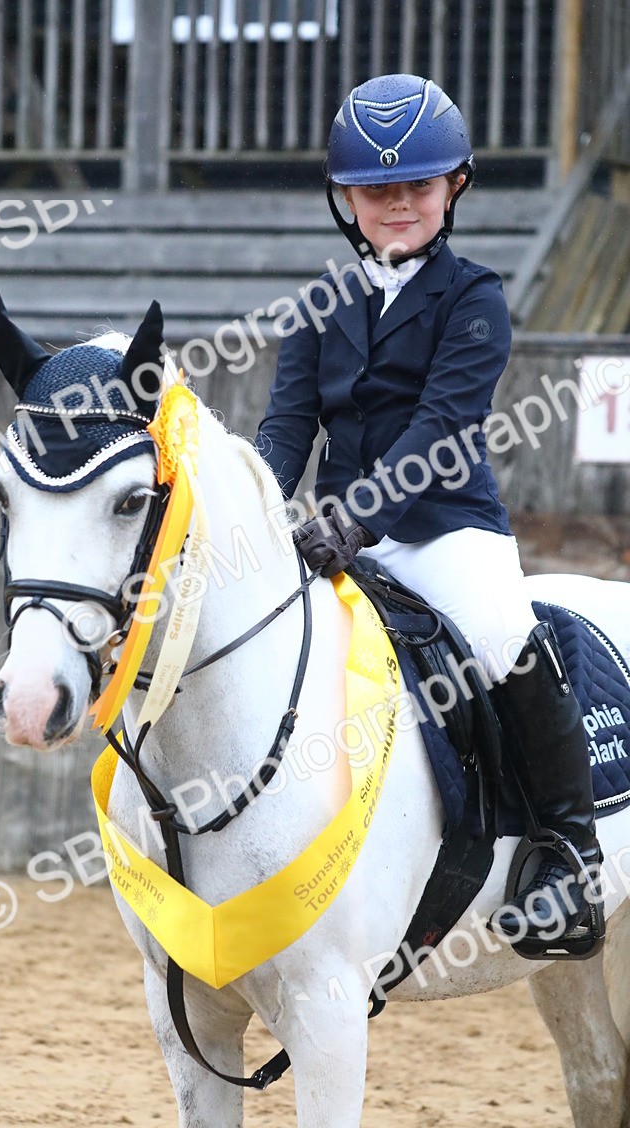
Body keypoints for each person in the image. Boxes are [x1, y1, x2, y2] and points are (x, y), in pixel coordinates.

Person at [254, 73, 601, 951]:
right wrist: (252, 519)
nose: (397, 203)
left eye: (416, 185)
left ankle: (569, 852)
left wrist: (351, 521)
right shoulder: (318, 305)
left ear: (454, 186)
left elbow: (442, 432)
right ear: (348, 200)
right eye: (377, 189)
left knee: (500, 637)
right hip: (338, 540)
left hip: (446, 529)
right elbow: (284, 433)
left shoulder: (474, 297)